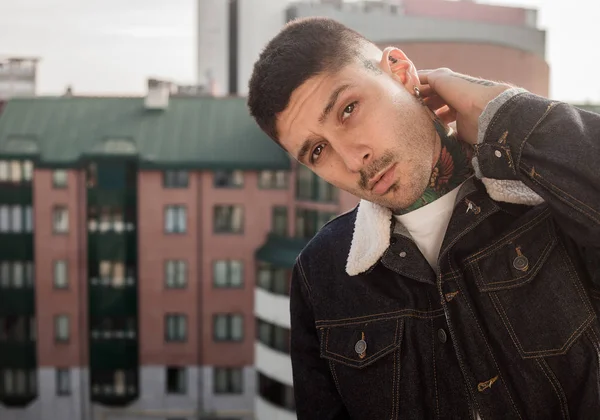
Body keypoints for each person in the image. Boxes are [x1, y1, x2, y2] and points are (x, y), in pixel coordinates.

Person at [247, 17, 600, 420]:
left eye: (348, 109)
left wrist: (500, 109)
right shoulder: (321, 274)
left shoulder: (545, 200)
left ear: (399, 72)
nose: (351, 158)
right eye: (316, 152)